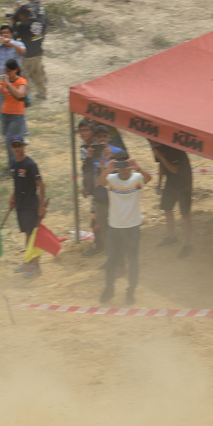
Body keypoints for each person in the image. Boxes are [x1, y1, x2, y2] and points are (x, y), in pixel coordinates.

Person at [98, 150, 152, 305]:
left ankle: (130, 291)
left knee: (133, 260)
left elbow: (149, 178)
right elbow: (100, 182)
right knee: (111, 259)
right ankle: (109, 289)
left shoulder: (137, 177)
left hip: (132, 226)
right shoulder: (111, 179)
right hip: (115, 226)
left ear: (129, 162)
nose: (123, 167)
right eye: (119, 163)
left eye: (125, 162)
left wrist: (138, 167)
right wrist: (108, 169)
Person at [7, 138, 46, 278]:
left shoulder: (30, 164)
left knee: (34, 235)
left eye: (19, 145)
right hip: (20, 205)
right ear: (11, 147)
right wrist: (13, 198)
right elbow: (17, 184)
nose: (17, 148)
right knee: (27, 234)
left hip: (31, 205)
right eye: (14, 146)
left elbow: (41, 185)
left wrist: (41, 205)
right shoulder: (13, 163)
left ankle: (36, 265)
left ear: (24, 146)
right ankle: (29, 261)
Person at [151, 140, 193, 259]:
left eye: (151, 141)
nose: (150, 143)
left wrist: (161, 156)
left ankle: (188, 244)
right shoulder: (157, 147)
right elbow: (161, 165)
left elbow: (174, 169)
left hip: (184, 182)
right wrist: (160, 183)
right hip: (171, 182)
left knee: (184, 214)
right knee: (167, 208)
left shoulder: (173, 148)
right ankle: (172, 237)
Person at [86, 125, 122, 258]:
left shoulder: (118, 151)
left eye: (104, 136)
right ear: (94, 138)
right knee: (104, 228)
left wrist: (112, 156)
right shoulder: (92, 153)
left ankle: (120, 258)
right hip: (100, 196)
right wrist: (89, 158)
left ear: (110, 137)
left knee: (118, 228)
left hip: (116, 196)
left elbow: (126, 170)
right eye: (99, 136)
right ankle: (110, 258)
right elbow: (87, 173)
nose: (102, 138)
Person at [0, 60, 28, 169]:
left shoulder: (22, 81)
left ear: (16, 70)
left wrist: (8, 84)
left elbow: (19, 94)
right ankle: (17, 164)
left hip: (17, 116)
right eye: (6, 71)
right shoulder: (4, 82)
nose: (7, 73)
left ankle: (14, 167)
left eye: (9, 71)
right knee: (12, 142)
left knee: (11, 141)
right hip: (5, 115)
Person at [12, 4, 47, 102]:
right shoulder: (39, 22)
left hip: (27, 56)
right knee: (38, 74)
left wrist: (14, 24)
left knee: (24, 77)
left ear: (22, 15)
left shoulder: (23, 25)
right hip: (38, 53)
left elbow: (14, 37)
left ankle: (26, 97)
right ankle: (42, 94)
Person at [0, 25, 25, 98]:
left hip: (15, 78)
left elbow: (23, 52)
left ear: (11, 34)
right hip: (1, 78)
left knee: (16, 99)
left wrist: (10, 44)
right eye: (2, 33)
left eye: (7, 33)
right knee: (1, 100)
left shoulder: (18, 44)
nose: (4, 35)